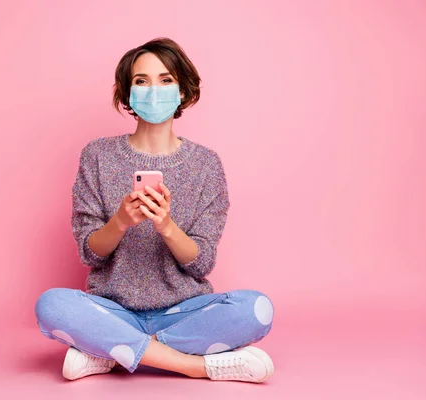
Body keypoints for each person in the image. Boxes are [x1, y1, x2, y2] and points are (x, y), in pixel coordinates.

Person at [34, 37, 275, 383]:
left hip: (184, 311)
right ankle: (192, 365)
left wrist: (166, 226)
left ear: (184, 92)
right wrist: (119, 222)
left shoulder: (206, 165)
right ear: (126, 93)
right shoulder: (97, 156)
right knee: (52, 305)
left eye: (165, 80)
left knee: (257, 308)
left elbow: (202, 261)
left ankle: (111, 353)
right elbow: (91, 254)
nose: (153, 90)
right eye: (141, 81)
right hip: (114, 311)